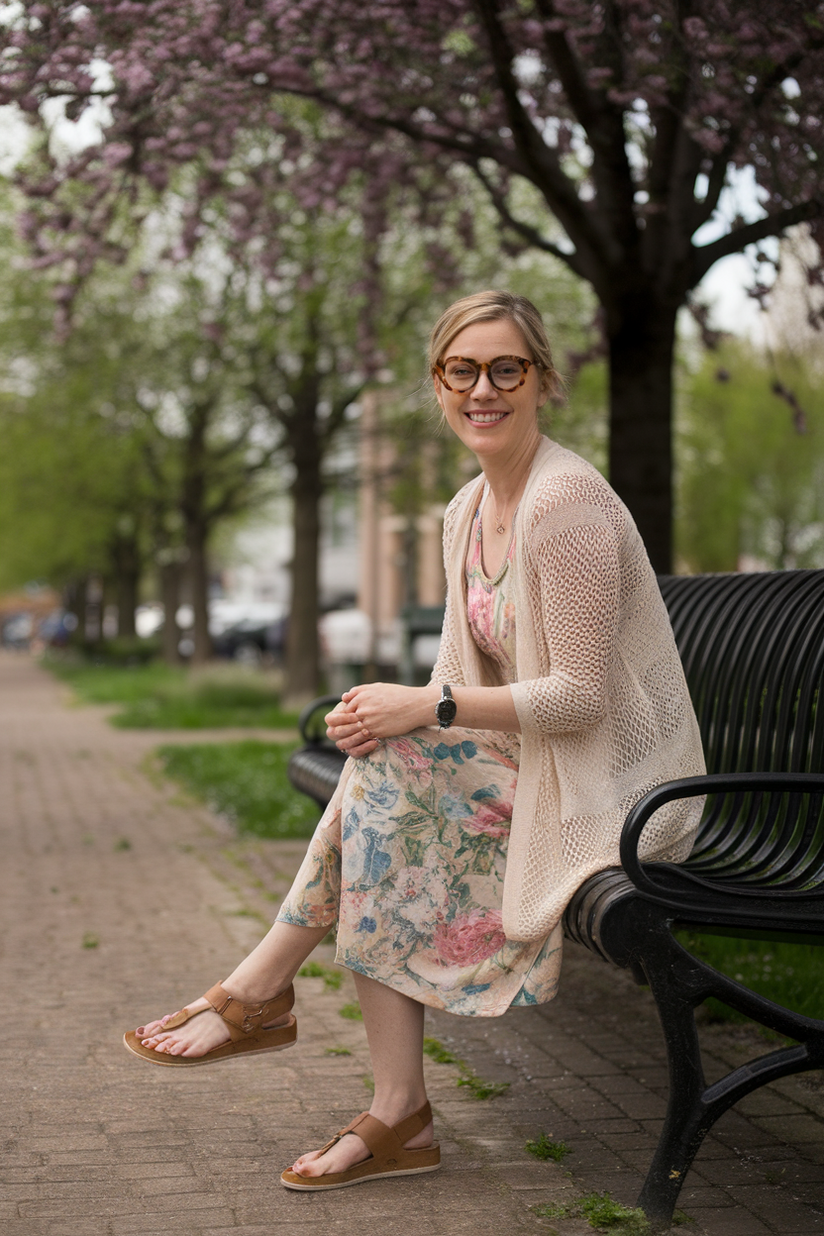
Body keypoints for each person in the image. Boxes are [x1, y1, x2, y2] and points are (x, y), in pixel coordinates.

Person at [123, 290, 705, 1191]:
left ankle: (298, 1023)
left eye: (506, 368)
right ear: (438, 385)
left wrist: (423, 713)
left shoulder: (570, 502)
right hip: (534, 764)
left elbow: (584, 699)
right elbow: (450, 676)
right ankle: (351, 1072)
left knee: (391, 779)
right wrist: (388, 711)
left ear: (541, 379)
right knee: (381, 766)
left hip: (617, 791)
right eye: (461, 370)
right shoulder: (465, 509)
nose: (484, 389)